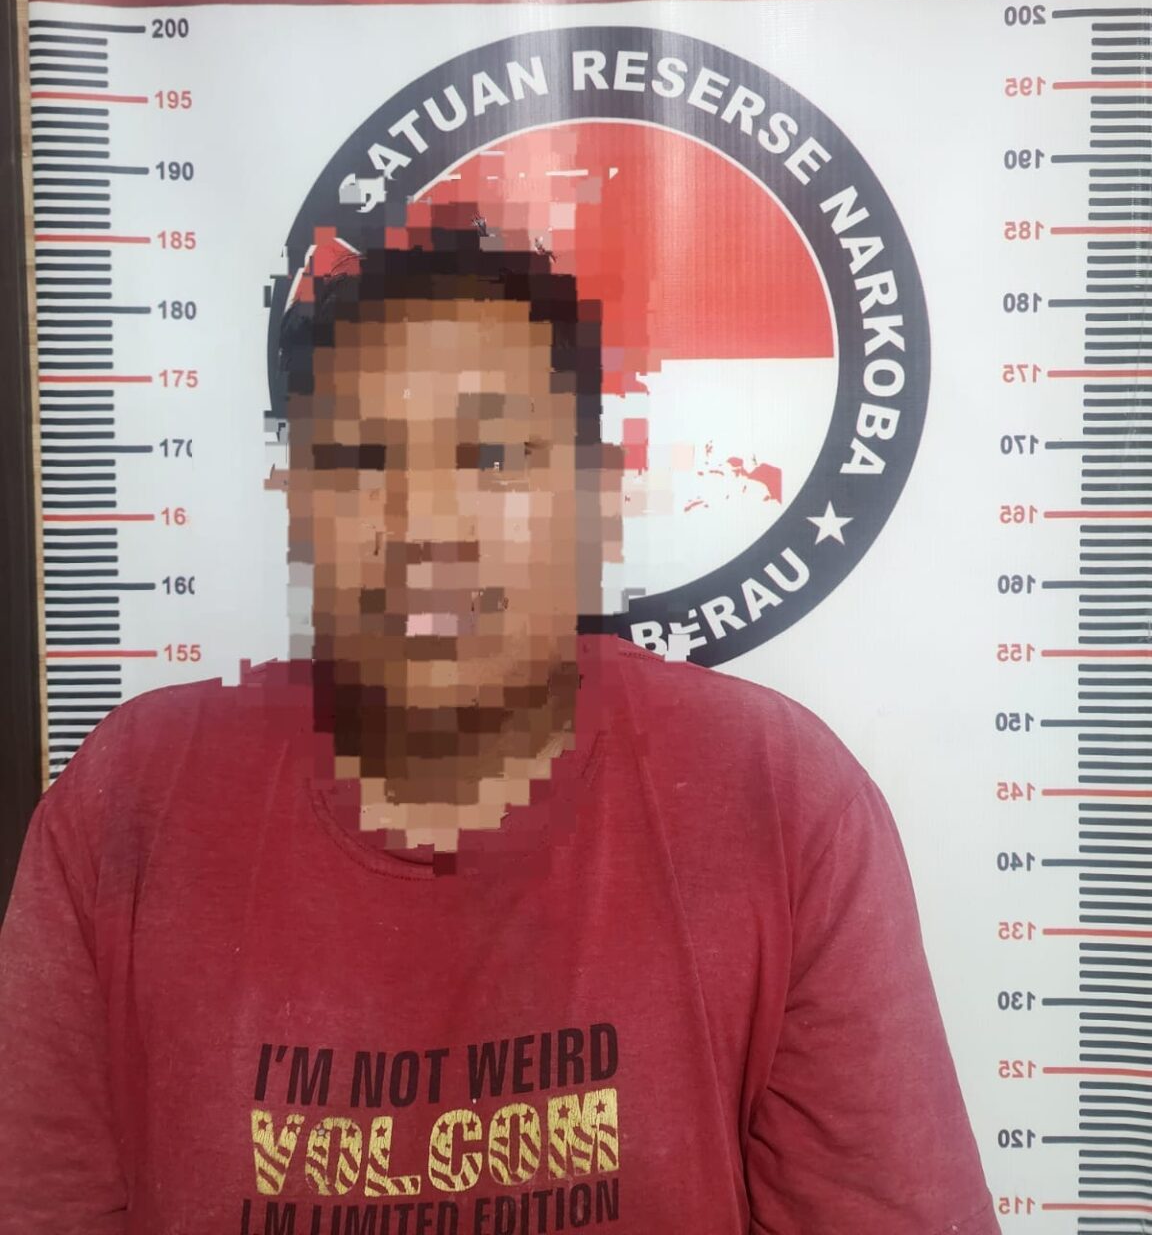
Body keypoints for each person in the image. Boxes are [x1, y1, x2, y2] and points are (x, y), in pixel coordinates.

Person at [0, 228, 1000, 1233]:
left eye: (492, 455)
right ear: (296, 505)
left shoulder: (779, 803)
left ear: (600, 499)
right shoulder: (131, 806)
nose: (426, 522)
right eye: (360, 458)